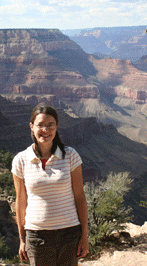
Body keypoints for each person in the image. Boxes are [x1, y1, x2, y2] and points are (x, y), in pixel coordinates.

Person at [11, 103, 89, 266]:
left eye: (50, 125)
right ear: (32, 127)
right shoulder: (21, 160)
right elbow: (20, 201)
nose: (45, 130)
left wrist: (84, 236)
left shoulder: (70, 155)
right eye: (40, 125)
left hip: (70, 233)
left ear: (57, 126)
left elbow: (80, 197)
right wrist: (22, 238)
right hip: (37, 236)